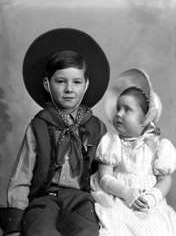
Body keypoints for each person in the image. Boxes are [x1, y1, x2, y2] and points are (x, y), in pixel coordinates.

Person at [0, 28, 110, 236]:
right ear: (47, 84)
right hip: (43, 198)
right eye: (61, 81)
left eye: (76, 82)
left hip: (81, 198)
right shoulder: (38, 126)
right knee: (39, 230)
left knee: (86, 230)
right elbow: (21, 176)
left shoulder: (97, 127)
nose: (69, 89)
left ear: (85, 85)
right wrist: (14, 223)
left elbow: (108, 172)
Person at [90, 69, 176, 236]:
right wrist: (126, 193)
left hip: (148, 203)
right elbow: (104, 177)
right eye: (118, 108)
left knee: (157, 228)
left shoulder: (159, 147)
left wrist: (152, 198)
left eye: (127, 110)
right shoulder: (112, 142)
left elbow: (165, 180)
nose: (119, 114)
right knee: (116, 228)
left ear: (146, 119)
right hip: (119, 199)